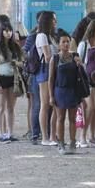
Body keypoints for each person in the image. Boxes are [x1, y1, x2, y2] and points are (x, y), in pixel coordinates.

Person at [49, 32, 83, 155]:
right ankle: (61, 143)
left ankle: (73, 142)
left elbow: (81, 75)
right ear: (58, 45)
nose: (66, 44)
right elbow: (51, 78)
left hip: (73, 91)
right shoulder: (55, 58)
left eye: (67, 41)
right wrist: (51, 96)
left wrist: (80, 64)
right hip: (60, 91)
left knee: (72, 119)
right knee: (60, 118)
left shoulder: (75, 56)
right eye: (63, 42)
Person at [0, 16, 24, 144]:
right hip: (1, 79)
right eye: (5, 31)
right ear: (1, 32)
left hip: (13, 79)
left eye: (10, 31)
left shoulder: (15, 47)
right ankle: (1, 133)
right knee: (0, 107)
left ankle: (10, 132)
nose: (8, 33)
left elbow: (22, 62)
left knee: (11, 107)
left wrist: (17, 63)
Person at [78, 19, 95, 147]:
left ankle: (93, 135)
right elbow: (80, 61)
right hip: (87, 78)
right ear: (93, 29)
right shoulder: (84, 44)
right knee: (91, 106)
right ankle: (82, 135)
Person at [34, 11, 58, 146]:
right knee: (45, 103)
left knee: (54, 104)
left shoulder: (50, 36)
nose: (55, 22)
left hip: (53, 70)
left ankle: (53, 135)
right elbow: (47, 57)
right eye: (54, 20)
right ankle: (44, 137)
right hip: (45, 71)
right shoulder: (42, 36)